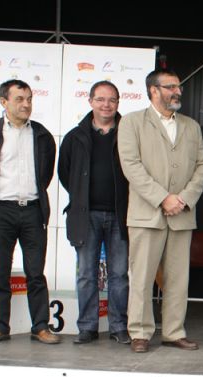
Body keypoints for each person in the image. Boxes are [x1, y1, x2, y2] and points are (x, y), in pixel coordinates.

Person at [117, 68, 203, 353]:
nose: (177, 91)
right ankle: (140, 332)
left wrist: (183, 199)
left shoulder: (191, 126)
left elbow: (202, 165)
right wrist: (162, 199)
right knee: (142, 278)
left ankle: (173, 332)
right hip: (146, 215)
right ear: (153, 90)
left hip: (182, 215)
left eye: (178, 86)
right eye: (170, 87)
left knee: (178, 280)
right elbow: (131, 166)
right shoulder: (131, 122)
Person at [0, 79, 60, 345]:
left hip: (33, 211)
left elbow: (45, 175)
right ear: (3, 101)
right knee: (0, 274)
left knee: (36, 273)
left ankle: (40, 326)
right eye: (19, 99)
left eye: (29, 99)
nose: (26, 104)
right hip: (0, 211)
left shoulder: (42, 135)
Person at [58, 81, 130, 345]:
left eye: (112, 100)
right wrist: (81, 198)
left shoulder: (129, 134)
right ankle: (87, 327)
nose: (106, 105)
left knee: (119, 275)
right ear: (90, 102)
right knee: (86, 274)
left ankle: (119, 326)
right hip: (85, 216)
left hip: (121, 215)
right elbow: (65, 173)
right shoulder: (75, 137)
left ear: (118, 103)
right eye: (100, 99)